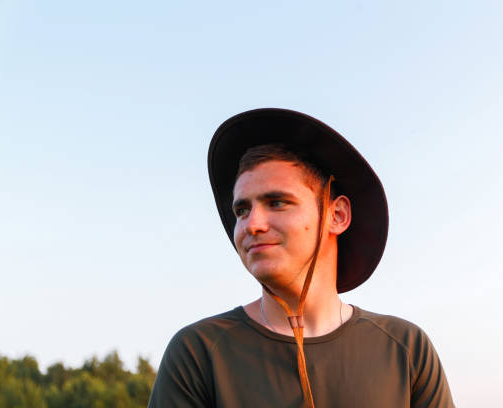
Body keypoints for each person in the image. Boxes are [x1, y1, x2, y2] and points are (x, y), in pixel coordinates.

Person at [148, 109, 455, 408]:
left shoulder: (406, 349)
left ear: (336, 215)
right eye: (242, 210)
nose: (252, 224)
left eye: (277, 202)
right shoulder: (199, 353)